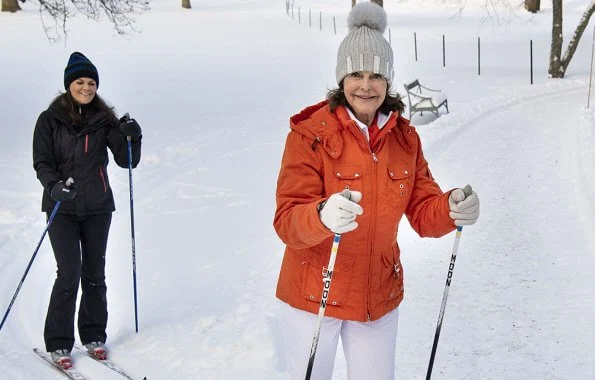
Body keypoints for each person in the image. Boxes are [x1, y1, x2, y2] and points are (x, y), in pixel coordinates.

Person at [273, 3, 479, 379]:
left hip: (376, 296)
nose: (365, 85)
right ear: (341, 79)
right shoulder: (309, 135)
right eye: (355, 74)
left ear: (388, 80)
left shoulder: (404, 138)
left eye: (375, 75)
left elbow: (423, 211)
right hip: (312, 295)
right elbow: (288, 221)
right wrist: (321, 216)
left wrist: (451, 208)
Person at [32, 52, 142, 369]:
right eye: (80, 81)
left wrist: (133, 135)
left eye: (91, 82)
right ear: (69, 85)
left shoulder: (104, 119)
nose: (86, 87)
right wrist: (53, 187)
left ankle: (93, 336)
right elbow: (42, 161)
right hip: (61, 207)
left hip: (97, 207)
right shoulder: (49, 120)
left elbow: (127, 159)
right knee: (68, 272)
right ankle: (59, 343)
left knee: (95, 273)